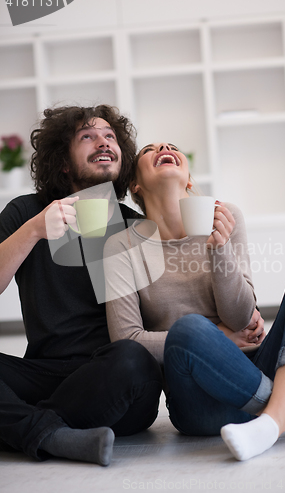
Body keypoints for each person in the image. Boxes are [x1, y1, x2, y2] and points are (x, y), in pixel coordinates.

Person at [104, 141, 285, 461]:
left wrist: (218, 249)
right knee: (189, 329)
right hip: (197, 401)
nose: (163, 147)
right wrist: (220, 338)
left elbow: (241, 317)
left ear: (189, 179)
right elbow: (126, 339)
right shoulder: (120, 247)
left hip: (260, 370)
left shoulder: (225, 216)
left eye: (171, 146)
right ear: (135, 185)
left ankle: (273, 421)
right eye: (149, 150)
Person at [0, 105, 163, 467]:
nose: (103, 143)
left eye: (110, 136)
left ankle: (22, 426)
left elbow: (162, 315)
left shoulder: (135, 225)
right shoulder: (27, 213)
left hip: (115, 377)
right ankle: (54, 435)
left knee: (134, 359)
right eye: (87, 137)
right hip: (46, 375)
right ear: (62, 161)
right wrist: (33, 231)